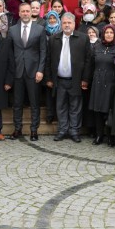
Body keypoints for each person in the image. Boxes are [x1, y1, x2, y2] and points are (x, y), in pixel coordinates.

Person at [45, 13, 92, 142]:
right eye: (64, 23)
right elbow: (48, 60)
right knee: (60, 106)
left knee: (75, 107)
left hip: (76, 80)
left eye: (69, 23)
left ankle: (74, 131)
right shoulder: (54, 38)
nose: (66, 25)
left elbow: (88, 61)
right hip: (59, 80)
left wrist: (85, 79)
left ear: (74, 24)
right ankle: (62, 130)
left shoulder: (83, 38)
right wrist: (48, 78)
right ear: (61, 24)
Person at [8, 1, 47, 141]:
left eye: (27, 11)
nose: (25, 13)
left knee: (34, 103)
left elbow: (43, 51)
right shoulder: (12, 30)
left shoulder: (40, 29)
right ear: (19, 13)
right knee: (17, 103)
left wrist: (41, 70)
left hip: (34, 72)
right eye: (22, 11)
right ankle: (17, 129)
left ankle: (33, 130)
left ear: (31, 12)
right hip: (18, 72)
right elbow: (9, 53)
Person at [88, 24, 115, 145]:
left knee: (109, 109)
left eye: (111, 33)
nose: (108, 35)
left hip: (111, 81)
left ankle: (110, 136)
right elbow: (90, 64)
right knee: (97, 109)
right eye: (106, 32)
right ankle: (99, 135)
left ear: (114, 34)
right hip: (97, 81)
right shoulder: (97, 47)